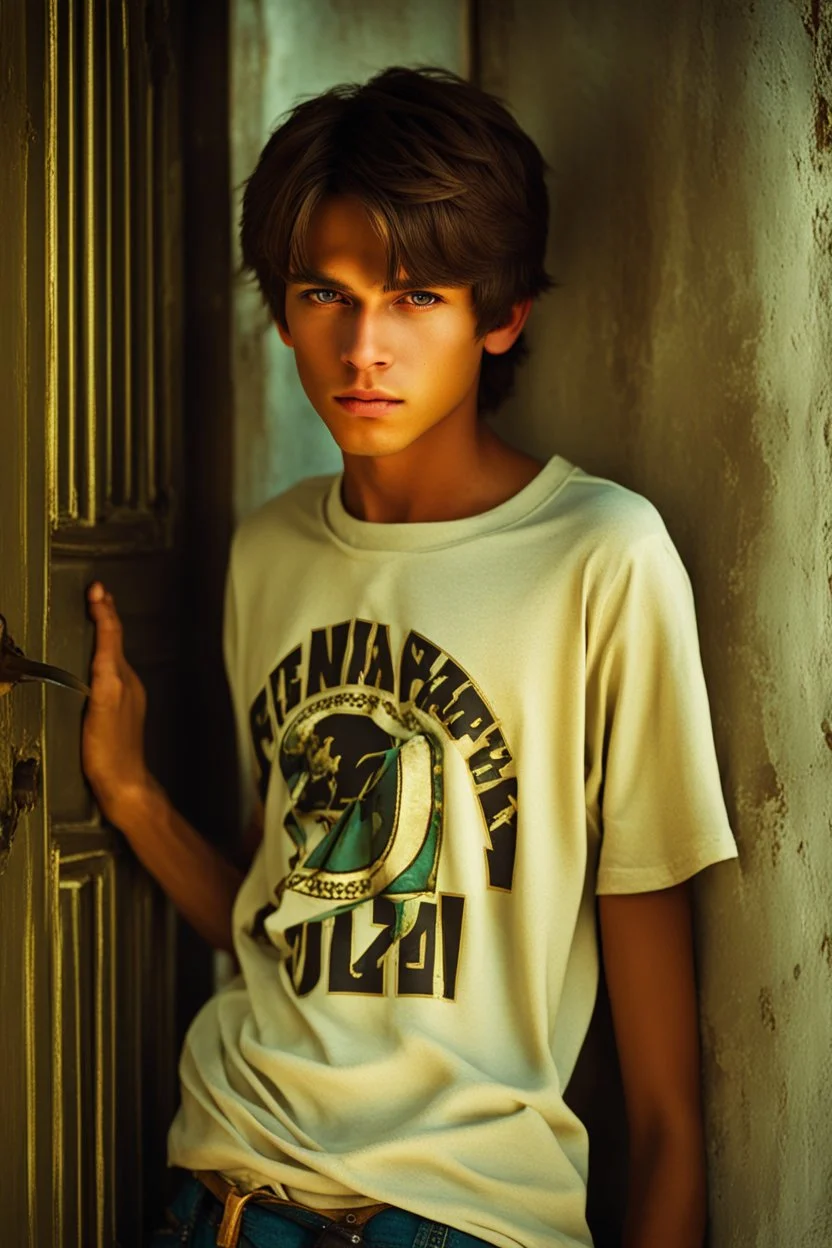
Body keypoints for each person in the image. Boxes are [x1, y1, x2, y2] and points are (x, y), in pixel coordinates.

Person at [82, 65, 738, 1248]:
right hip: (217, 1196)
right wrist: (131, 799)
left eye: (415, 296)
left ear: (501, 314)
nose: (363, 348)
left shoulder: (601, 558)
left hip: (453, 1219)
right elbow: (284, 914)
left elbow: (667, 1111)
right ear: (281, 311)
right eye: (323, 294)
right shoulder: (269, 552)